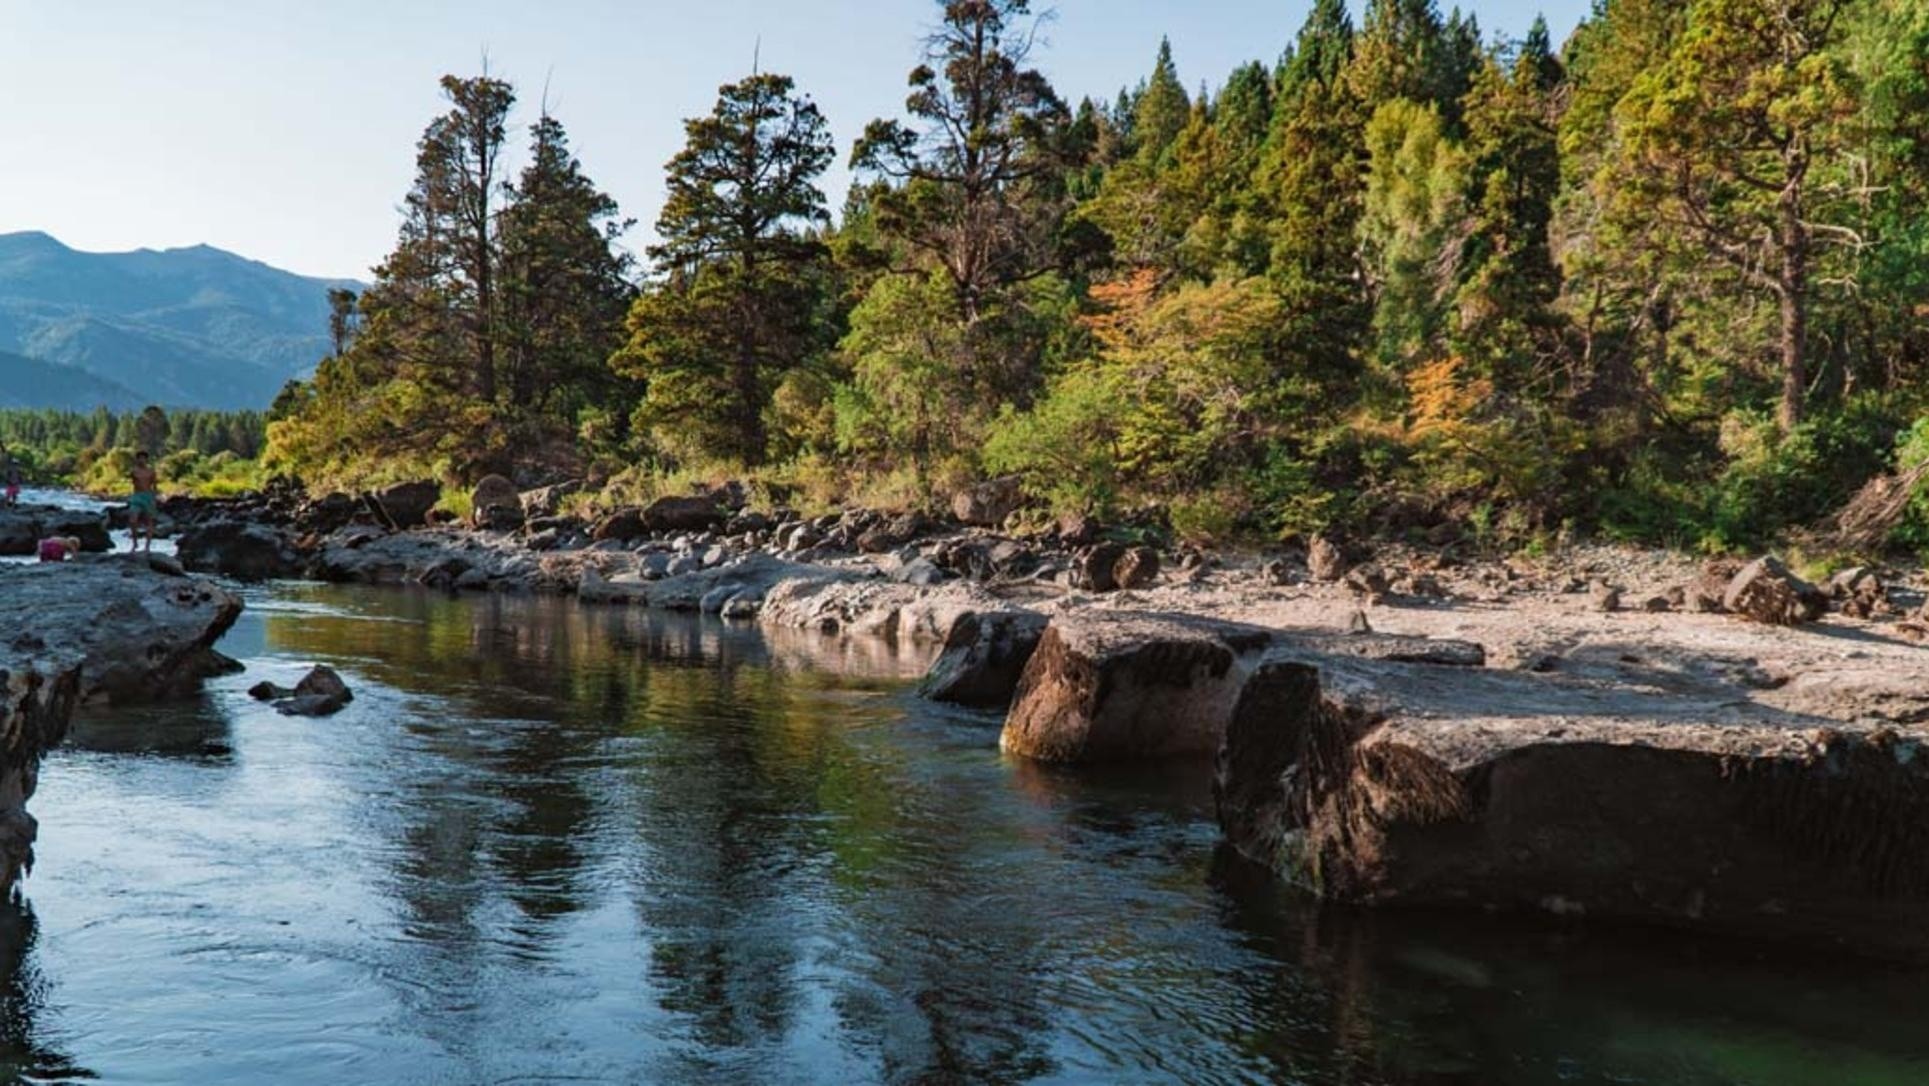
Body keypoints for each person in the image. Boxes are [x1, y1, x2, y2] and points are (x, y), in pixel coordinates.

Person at [128, 451, 159, 553]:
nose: (141, 460)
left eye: (143, 458)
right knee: (133, 520)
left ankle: (147, 546)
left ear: (146, 459)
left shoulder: (151, 471)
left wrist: (154, 498)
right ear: (136, 460)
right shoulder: (133, 471)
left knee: (149, 521)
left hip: (148, 496)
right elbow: (132, 482)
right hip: (137, 496)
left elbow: (154, 486)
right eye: (139, 458)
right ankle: (135, 543)